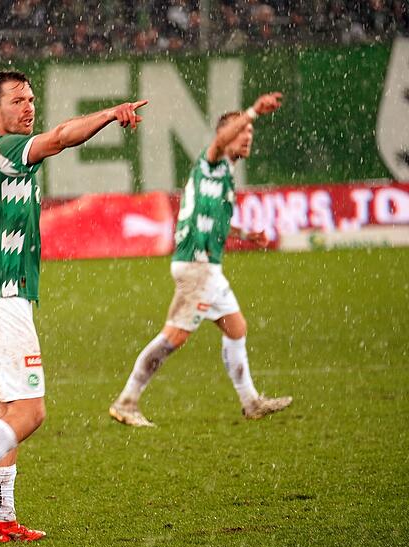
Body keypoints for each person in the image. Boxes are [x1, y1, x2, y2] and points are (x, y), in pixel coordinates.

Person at [0, 69, 147, 547]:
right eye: (17, 101)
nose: (28, 108)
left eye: (31, 99)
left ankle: (1, 518)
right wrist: (110, 113)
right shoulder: (5, 149)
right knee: (30, 412)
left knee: (8, 408)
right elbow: (61, 137)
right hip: (2, 299)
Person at [109, 92, 293, 428]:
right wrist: (253, 111)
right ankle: (127, 401)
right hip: (196, 265)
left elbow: (213, 219)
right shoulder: (211, 161)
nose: (247, 137)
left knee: (236, 328)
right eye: (242, 131)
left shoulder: (224, 176)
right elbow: (219, 141)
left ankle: (251, 402)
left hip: (209, 269)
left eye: (250, 133)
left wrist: (246, 234)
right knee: (174, 336)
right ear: (225, 136)